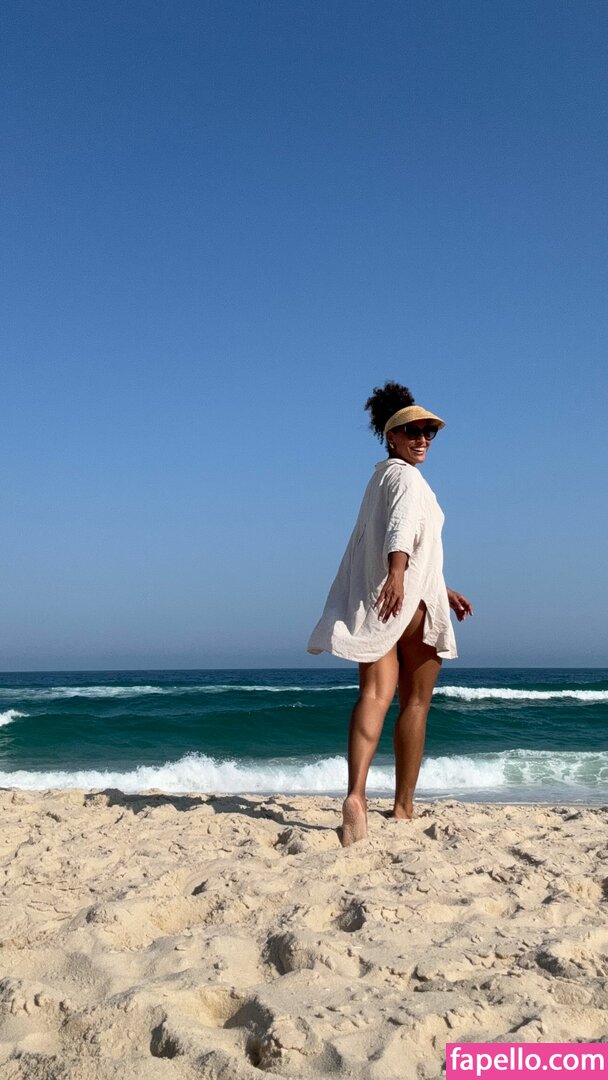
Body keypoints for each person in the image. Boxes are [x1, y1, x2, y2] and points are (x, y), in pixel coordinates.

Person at [307, 381, 473, 846]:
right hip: (407, 600)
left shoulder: (377, 479)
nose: (422, 439)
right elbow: (401, 529)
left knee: (374, 695)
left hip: (387, 597)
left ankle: (356, 796)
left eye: (428, 432)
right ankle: (402, 807)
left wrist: (441, 587)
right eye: (412, 431)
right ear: (391, 435)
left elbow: (402, 542)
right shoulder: (408, 479)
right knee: (415, 703)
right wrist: (399, 575)